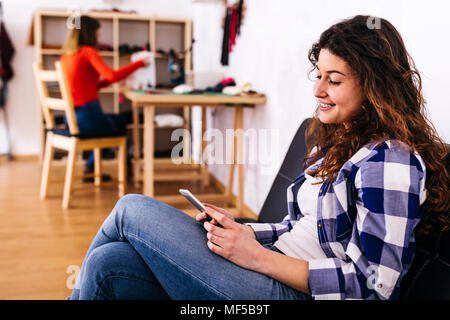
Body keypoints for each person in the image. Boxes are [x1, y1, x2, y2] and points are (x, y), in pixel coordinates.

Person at [68, 15, 449, 300]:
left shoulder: (389, 162)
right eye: (318, 75)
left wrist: (256, 259)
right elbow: (302, 230)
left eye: (334, 80)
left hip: (291, 291)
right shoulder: (340, 139)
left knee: (130, 209)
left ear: (375, 86)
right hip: (270, 266)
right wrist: (244, 232)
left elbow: (373, 287)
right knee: (108, 264)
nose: (317, 89)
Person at [61, 15, 148, 180]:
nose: (99, 39)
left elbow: (89, 86)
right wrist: (140, 64)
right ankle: (126, 171)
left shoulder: (67, 56)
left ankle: (91, 167)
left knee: (114, 123)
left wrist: (108, 83)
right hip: (88, 118)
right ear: (89, 33)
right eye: (98, 35)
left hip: (70, 119)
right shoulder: (88, 52)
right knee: (120, 123)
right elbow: (112, 75)